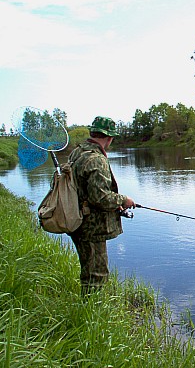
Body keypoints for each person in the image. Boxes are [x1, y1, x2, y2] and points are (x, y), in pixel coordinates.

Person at [68, 116, 135, 296]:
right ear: (108, 137)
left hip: (76, 220)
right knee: (97, 274)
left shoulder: (77, 152)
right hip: (91, 226)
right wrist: (123, 200)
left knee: (89, 270)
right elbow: (101, 198)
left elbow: (87, 191)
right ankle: (91, 316)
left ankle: (88, 310)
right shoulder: (96, 159)